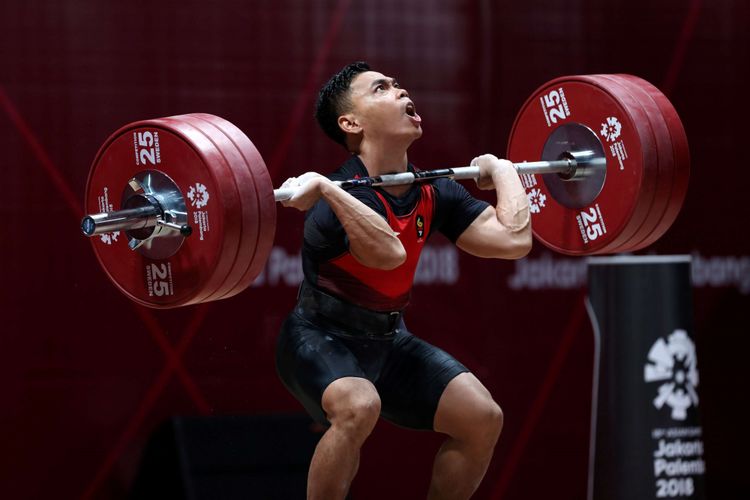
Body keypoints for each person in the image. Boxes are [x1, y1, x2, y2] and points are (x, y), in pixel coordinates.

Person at [276, 61, 531, 500]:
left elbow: (514, 241)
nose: (400, 90)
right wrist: (328, 187)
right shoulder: (334, 200)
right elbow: (389, 253)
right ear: (351, 123)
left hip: (389, 341)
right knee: (359, 408)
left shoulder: (433, 189)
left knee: (481, 417)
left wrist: (504, 171)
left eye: (397, 84)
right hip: (319, 337)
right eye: (381, 89)